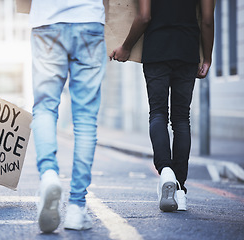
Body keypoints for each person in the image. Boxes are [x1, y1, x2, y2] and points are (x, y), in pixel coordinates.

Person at [109, 0, 214, 211]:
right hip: (187, 50)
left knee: (158, 114)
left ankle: (165, 170)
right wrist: (207, 58)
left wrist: (126, 47)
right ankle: (180, 190)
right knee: (182, 120)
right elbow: (208, 21)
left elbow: (144, 16)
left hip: (157, 49)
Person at [29, 0, 107, 232]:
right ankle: (76, 207)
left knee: (45, 107)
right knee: (85, 118)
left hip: (47, 20)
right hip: (89, 19)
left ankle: (49, 175)